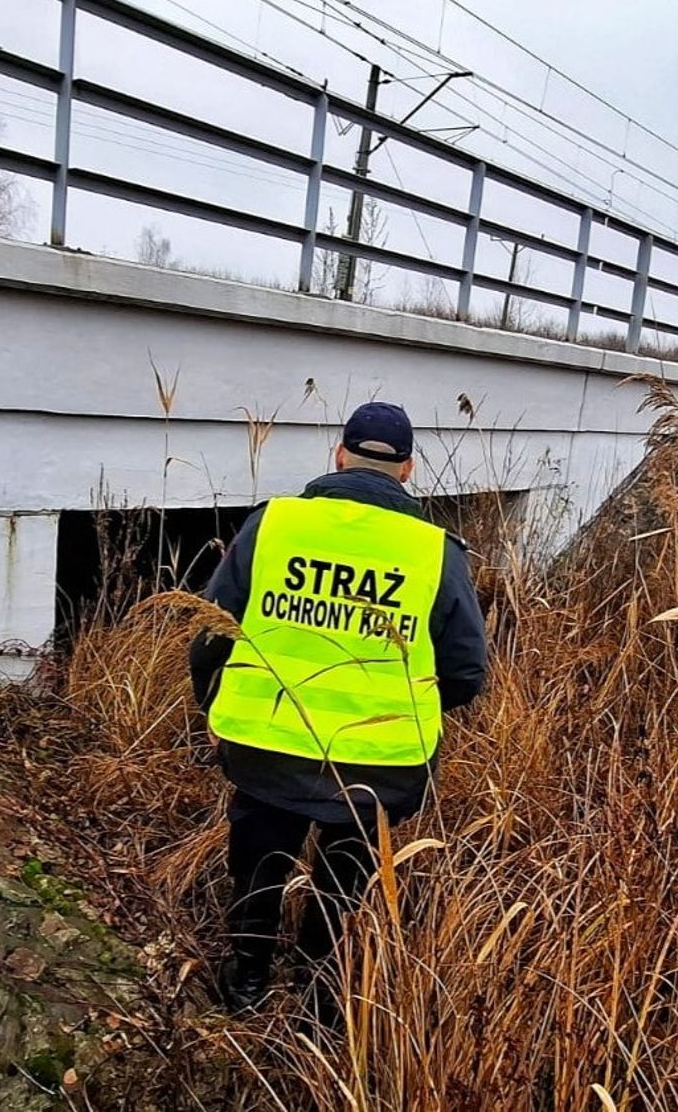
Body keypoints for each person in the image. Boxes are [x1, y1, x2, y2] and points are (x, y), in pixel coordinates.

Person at [190, 401, 488, 1022]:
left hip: (264, 743)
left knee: (261, 862)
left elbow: (209, 633)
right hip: (380, 764)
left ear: (338, 455)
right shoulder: (436, 551)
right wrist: (409, 711)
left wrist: (214, 701)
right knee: (344, 877)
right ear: (406, 470)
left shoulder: (273, 523)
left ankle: (247, 978)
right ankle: (319, 991)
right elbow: (465, 672)